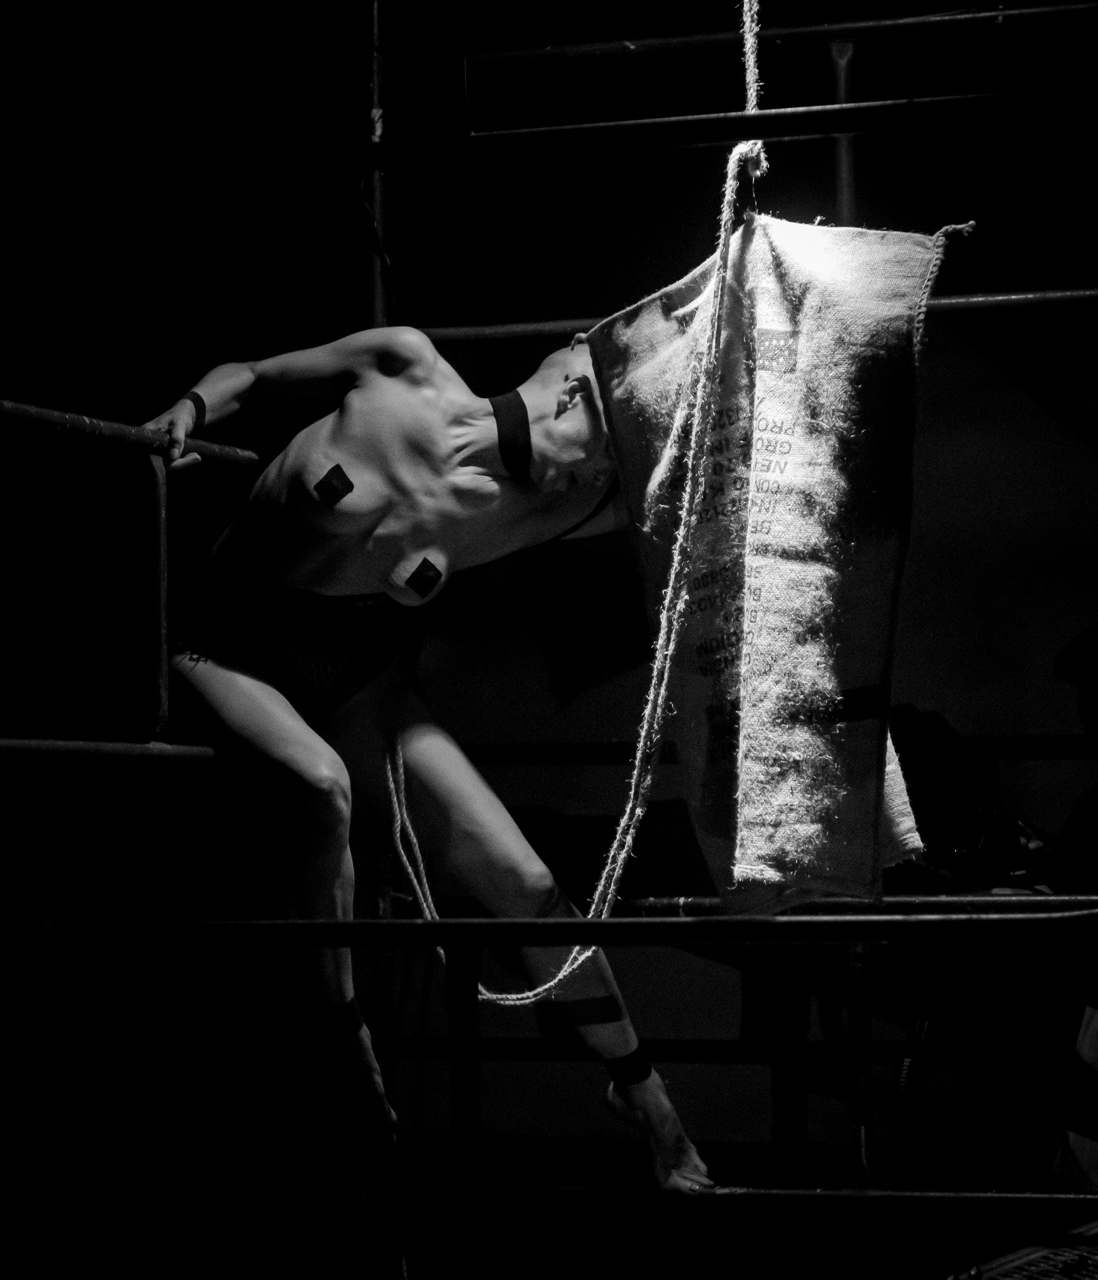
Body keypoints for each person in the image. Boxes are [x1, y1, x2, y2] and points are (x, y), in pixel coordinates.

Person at [141, 325, 712, 1193]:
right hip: (227, 647)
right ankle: (346, 1046)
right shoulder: (402, 363)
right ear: (571, 390)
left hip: (362, 685)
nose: (591, 481)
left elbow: (695, 481)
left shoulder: (552, 504)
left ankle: (644, 1094)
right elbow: (250, 374)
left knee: (526, 883)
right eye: (600, 456)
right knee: (321, 787)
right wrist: (187, 410)